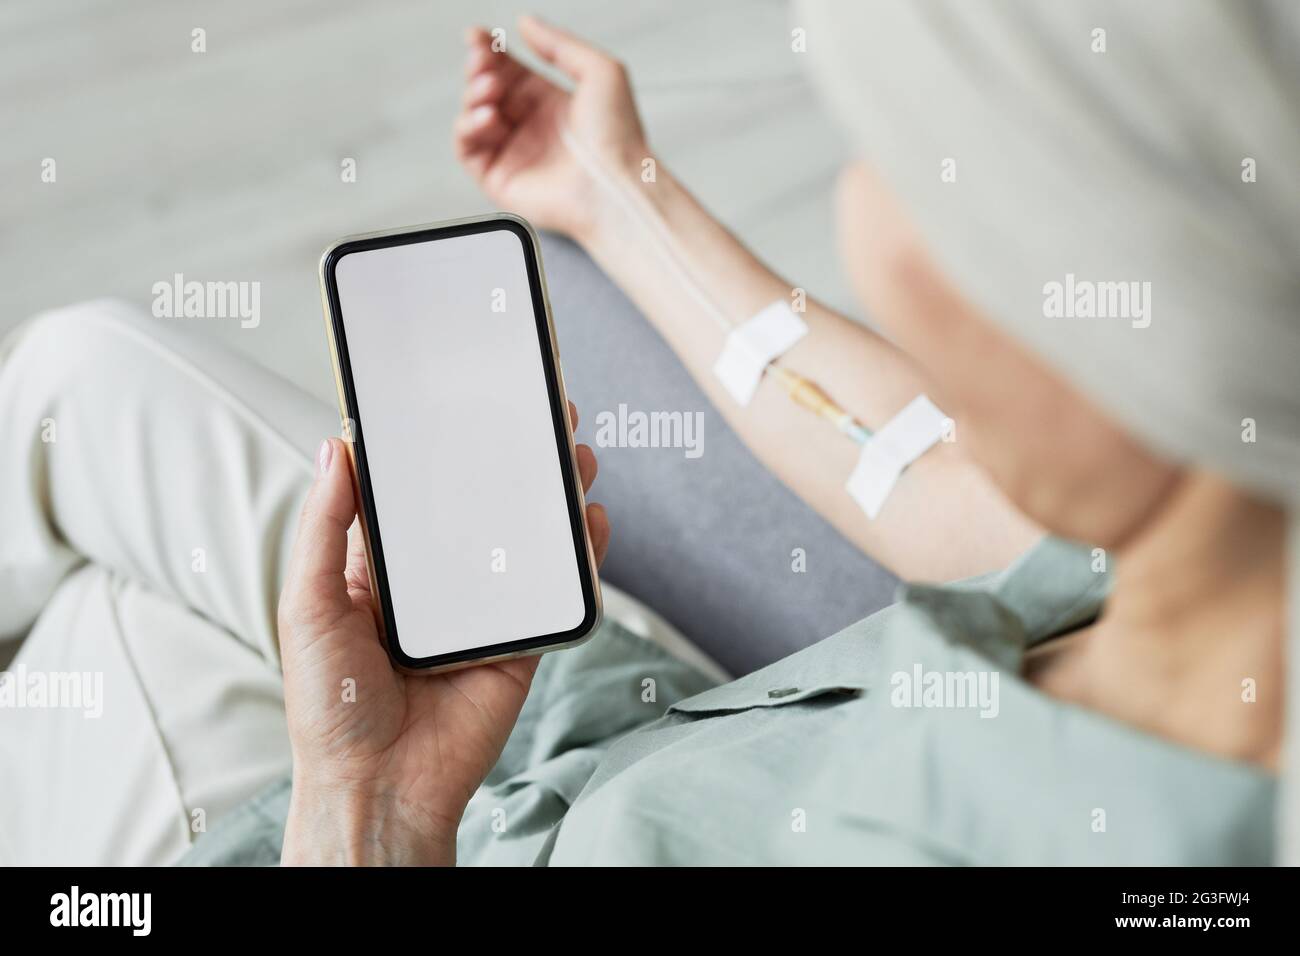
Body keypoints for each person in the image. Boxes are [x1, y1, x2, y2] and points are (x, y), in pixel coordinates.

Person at [1, 7, 1291, 865]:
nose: (861, 221)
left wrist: (371, 813)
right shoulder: (1217, 538)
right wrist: (618, 195)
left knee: (93, 626)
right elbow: (923, 467)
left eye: (928, 189)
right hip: (570, 716)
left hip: (414, 817)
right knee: (83, 373)